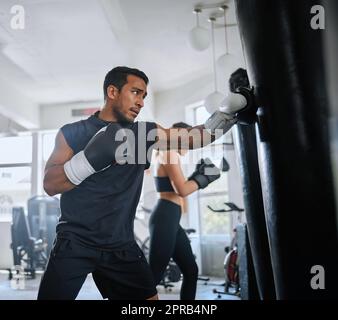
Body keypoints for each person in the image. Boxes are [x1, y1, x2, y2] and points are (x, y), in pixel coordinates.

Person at [37, 66, 249, 300]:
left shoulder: (143, 134)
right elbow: (49, 184)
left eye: (144, 96)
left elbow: (194, 138)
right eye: (135, 92)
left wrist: (230, 113)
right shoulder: (73, 133)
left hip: (121, 245)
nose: (141, 102)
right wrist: (87, 161)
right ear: (112, 91)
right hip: (74, 241)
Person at [148, 122, 221, 300]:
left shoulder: (168, 154)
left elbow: (179, 189)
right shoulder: (169, 153)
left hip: (171, 218)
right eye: (190, 141)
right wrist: (203, 178)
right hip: (165, 217)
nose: (191, 146)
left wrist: (195, 177)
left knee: (191, 270)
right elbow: (182, 190)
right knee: (152, 277)